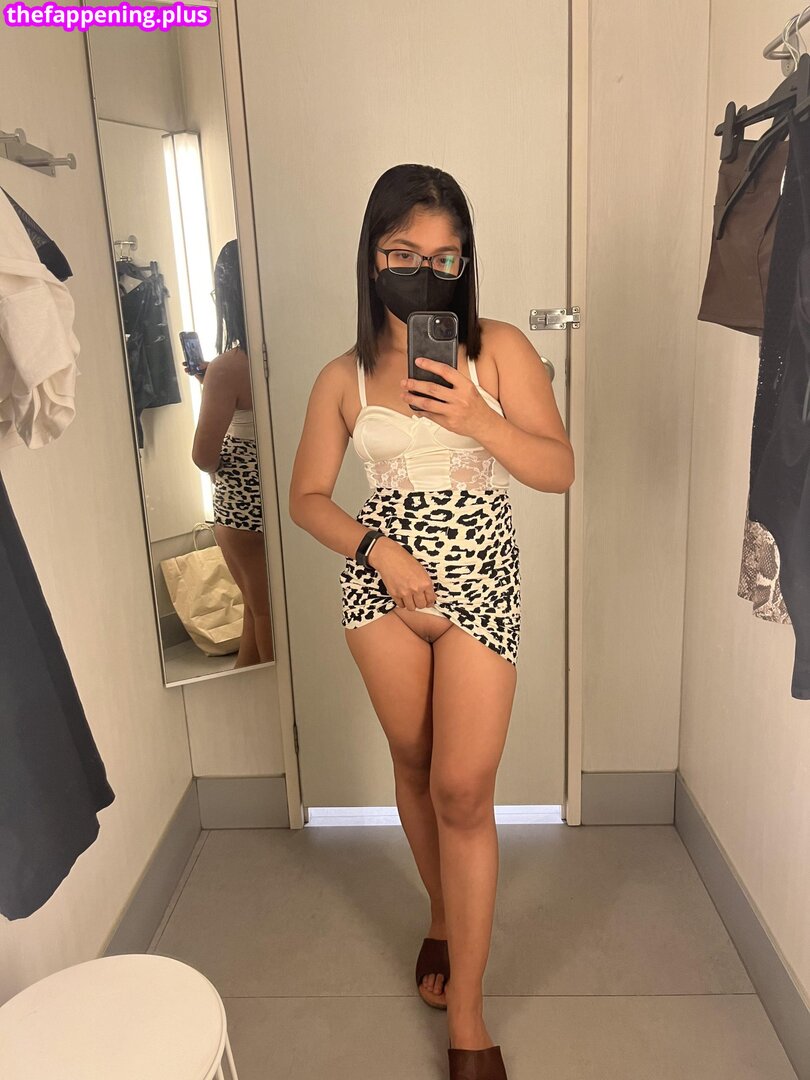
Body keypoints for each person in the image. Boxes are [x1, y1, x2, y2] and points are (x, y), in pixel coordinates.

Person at [288, 164, 574, 1080]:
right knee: (413, 764)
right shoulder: (342, 375)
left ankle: (471, 1016)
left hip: (482, 582)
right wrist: (378, 550)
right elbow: (305, 498)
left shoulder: (499, 350)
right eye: (404, 253)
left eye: (445, 258)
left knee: (463, 789)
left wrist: (478, 418)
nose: (424, 271)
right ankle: (443, 914)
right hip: (384, 589)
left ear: (465, 263)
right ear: (372, 256)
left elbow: (558, 470)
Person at [190, 239, 273, 667]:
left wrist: (214, 384)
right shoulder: (295, 353)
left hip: (241, 508)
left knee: (263, 614)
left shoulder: (229, 366)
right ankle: (262, 700)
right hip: (280, 498)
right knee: (259, 614)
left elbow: (203, 455)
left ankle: (274, 701)